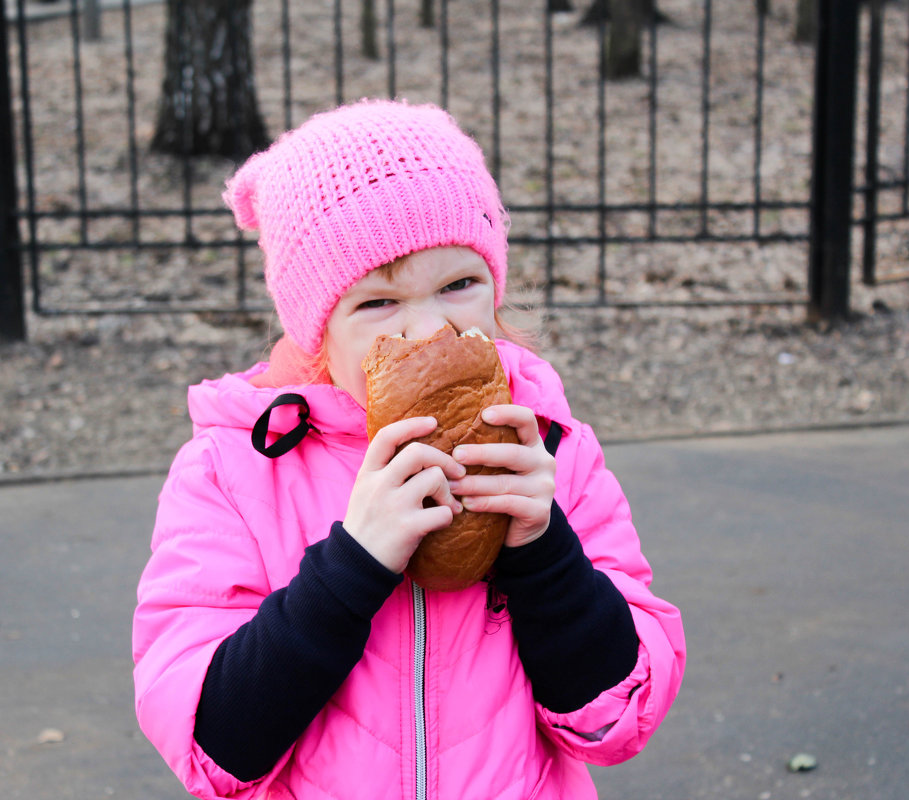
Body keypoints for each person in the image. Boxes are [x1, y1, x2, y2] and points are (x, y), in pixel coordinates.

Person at [132, 99, 686, 800]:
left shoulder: (550, 450)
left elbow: (619, 719)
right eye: (377, 303)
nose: (428, 328)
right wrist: (349, 567)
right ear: (316, 330)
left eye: (459, 284)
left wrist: (545, 556)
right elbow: (216, 750)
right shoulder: (235, 472)